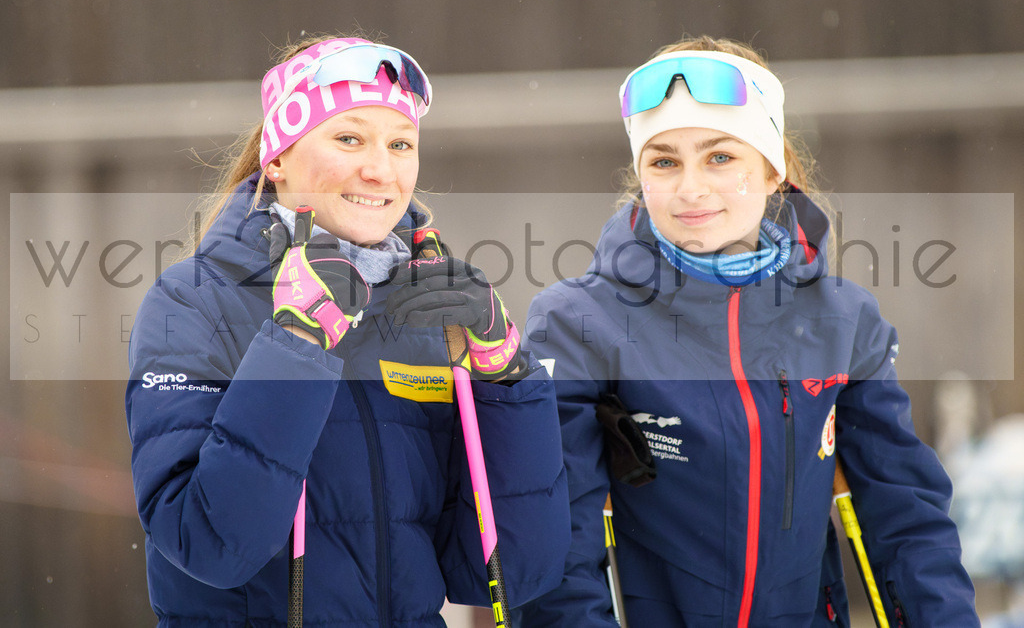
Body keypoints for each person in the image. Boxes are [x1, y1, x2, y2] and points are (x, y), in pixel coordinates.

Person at [513, 36, 979, 626]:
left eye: (720, 157)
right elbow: (558, 547)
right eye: (664, 161)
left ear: (770, 169)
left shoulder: (842, 322)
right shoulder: (577, 323)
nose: (690, 188)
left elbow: (906, 518)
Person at [125, 34, 569, 626]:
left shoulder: (430, 311)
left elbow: (510, 574)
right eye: (349, 138)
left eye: (401, 144)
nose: (379, 169)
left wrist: (507, 376)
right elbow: (209, 546)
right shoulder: (192, 299)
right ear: (276, 159)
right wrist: (296, 344)